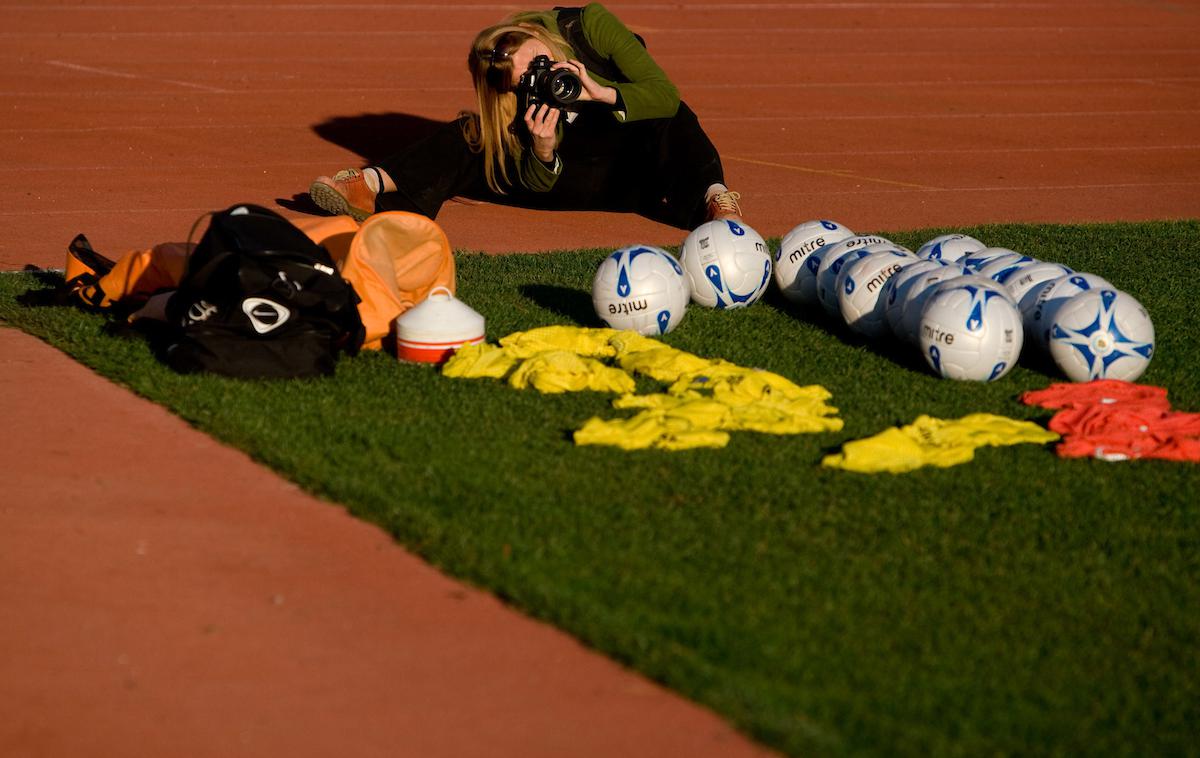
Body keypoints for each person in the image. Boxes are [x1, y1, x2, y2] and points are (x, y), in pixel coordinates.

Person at [308, 3, 743, 232]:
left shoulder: (589, 26)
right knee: (474, 135)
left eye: (536, 60)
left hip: (634, 171)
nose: (540, 75)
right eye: (522, 82)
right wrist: (542, 147)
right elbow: (537, 182)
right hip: (569, 177)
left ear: (536, 34)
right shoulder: (517, 97)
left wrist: (600, 91)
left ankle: (715, 202)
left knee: (674, 114)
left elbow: (664, 94)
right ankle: (371, 187)